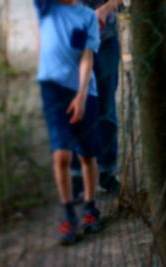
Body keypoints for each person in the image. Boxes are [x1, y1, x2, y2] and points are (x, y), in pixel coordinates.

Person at [33, 0, 102, 245]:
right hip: (52, 89)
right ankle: (67, 214)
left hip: (84, 92)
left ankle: (90, 207)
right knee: (61, 154)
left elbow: (87, 58)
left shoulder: (87, 17)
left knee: (86, 155)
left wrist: (81, 96)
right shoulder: (46, 7)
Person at [71, 0, 122, 202]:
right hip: (74, 41)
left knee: (106, 110)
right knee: (75, 107)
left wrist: (105, 8)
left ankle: (106, 172)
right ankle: (76, 175)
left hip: (106, 41)